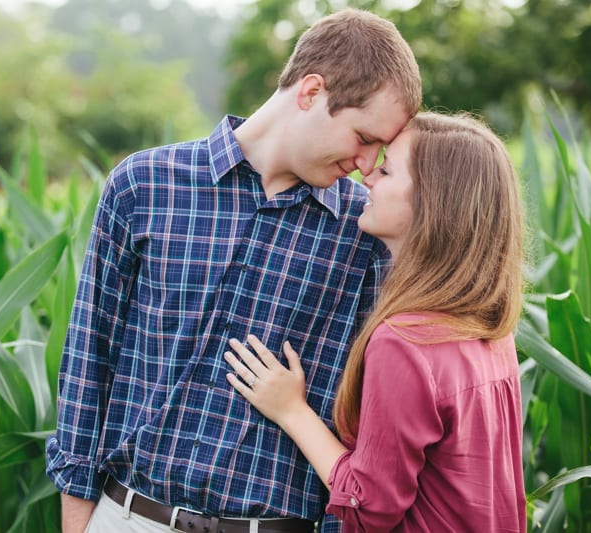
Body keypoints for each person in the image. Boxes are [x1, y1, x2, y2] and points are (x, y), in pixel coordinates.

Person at [46, 8, 421, 533]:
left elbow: (357, 422)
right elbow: (89, 358)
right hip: (128, 517)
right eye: (362, 136)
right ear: (312, 92)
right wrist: (79, 521)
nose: (365, 163)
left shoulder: (364, 240)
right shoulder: (143, 186)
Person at [224, 111, 527, 532]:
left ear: (431, 201)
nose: (367, 176)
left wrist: (292, 410)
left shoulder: (405, 341)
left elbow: (370, 507)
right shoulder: (488, 330)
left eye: (386, 170)